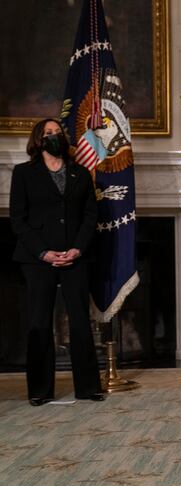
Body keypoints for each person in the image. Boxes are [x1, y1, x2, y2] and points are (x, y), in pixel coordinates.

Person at [9, 118, 104, 406]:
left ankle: (87, 387)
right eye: (48, 133)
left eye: (58, 132)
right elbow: (18, 219)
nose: (54, 136)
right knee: (39, 323)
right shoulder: (23, 173)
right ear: (38, 140)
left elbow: (90, 216)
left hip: (76, 256)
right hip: (37, 259)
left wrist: (76, 249)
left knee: (80, 322)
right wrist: (44, 252)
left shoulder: (81, 173)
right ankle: (40, 389)